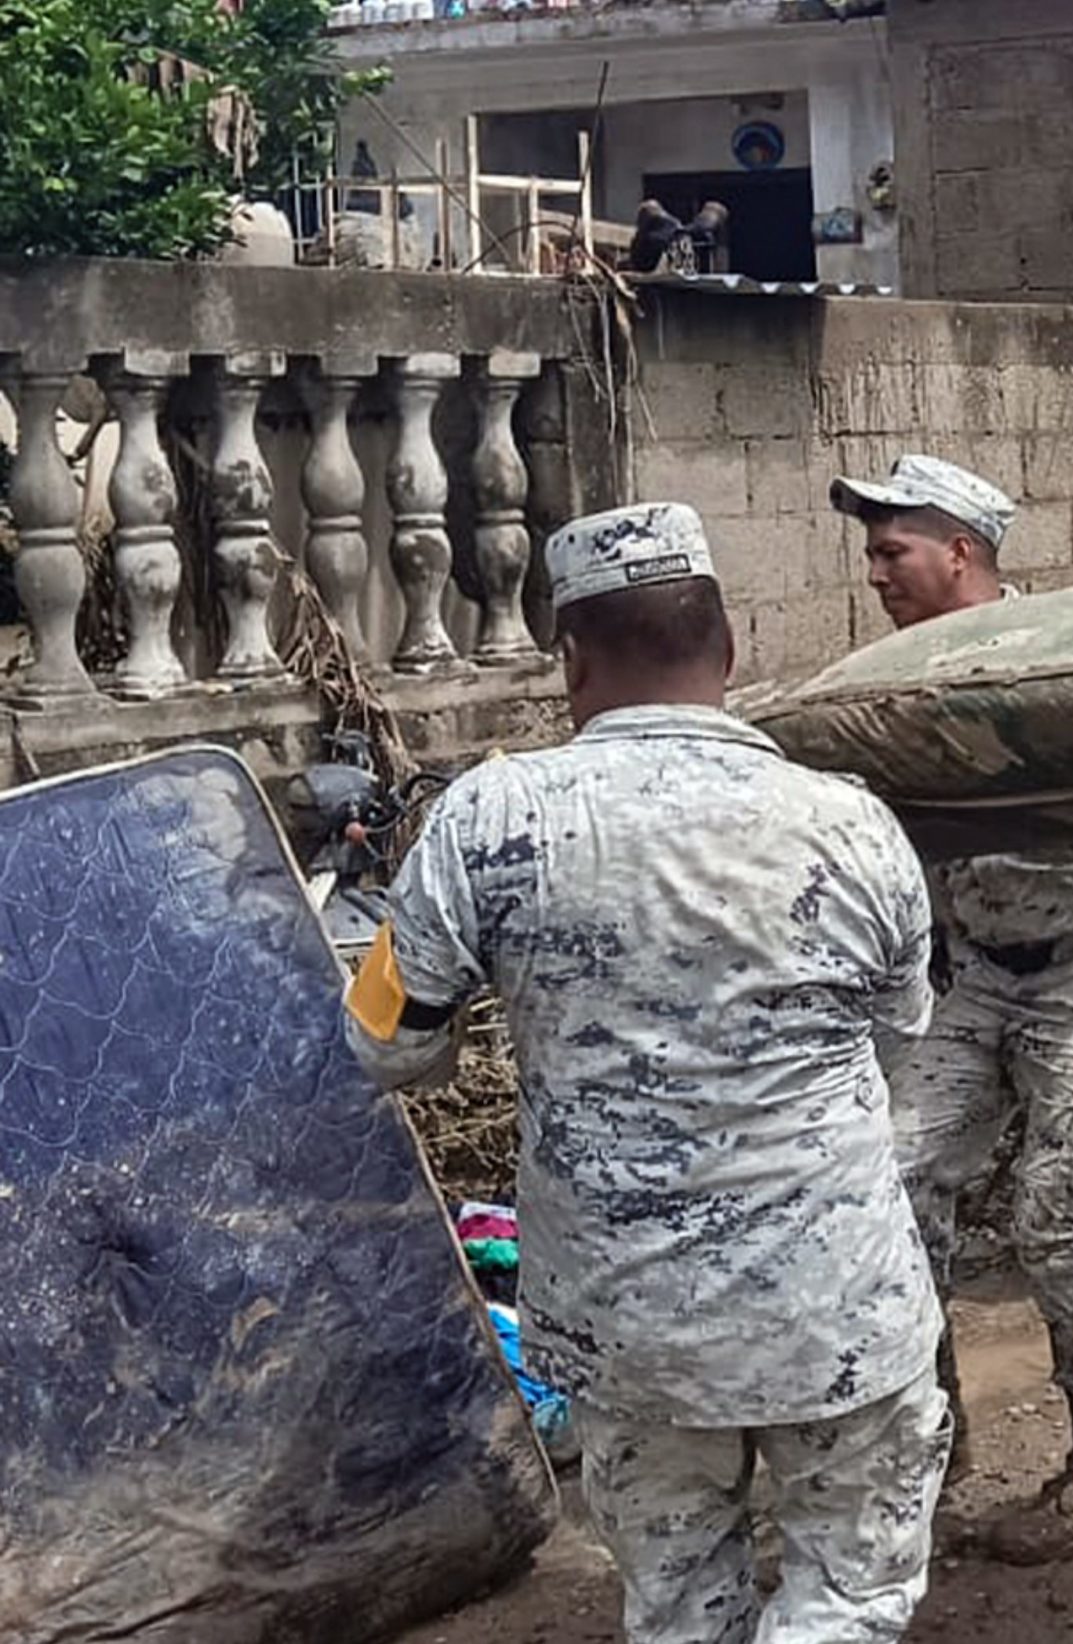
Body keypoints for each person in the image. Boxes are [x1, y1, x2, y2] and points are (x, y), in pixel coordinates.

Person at [342, 503, 948, 1644]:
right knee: (847, 1600)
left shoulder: (488, 821)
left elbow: (388, 1045)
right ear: (730, 649)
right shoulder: (856, 826)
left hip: (626, 1329)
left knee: (676, 1608)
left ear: (571, 660)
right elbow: (901, 1031)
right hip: (837, 1309)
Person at [833, 454, 1073, 1565]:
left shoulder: (1058, 655)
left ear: (960, 552)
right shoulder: (888, 677)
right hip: (979, 973)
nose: (874, 572)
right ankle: (933, 1433)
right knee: (889, 1180)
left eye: (892, 550)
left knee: (1056, 1220)